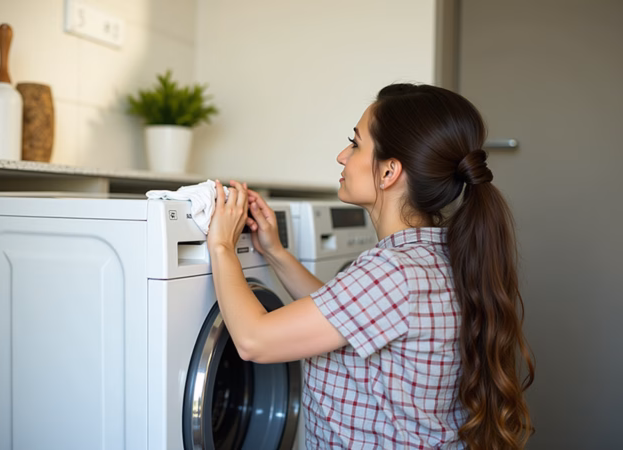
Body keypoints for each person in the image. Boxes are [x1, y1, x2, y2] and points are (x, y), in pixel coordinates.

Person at [206, 83, 535, 449]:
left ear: (389, 171)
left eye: (356, 143)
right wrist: (276, 253)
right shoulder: (435, 254)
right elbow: (344, 318)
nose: (341, 156)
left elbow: (254, 341)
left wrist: (221, 246)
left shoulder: (393, 270)